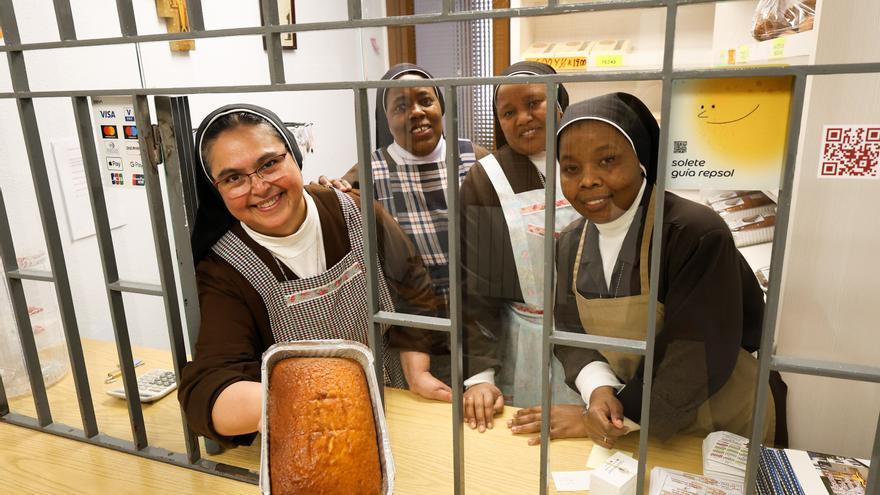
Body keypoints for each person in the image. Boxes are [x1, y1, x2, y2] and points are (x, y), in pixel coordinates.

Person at [508, 93, 788, 448]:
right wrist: (599, 390)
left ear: (641, 159)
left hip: (722, 418)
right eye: (572, 168)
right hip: (637, 420)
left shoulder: (693, 233)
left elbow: (696, 356)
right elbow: (570, 332)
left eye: (607, 160)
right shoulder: (570, 242)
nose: (588, 180)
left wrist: (618, 416)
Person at [177, 104, 451, 446]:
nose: (259, 186)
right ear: (216, 189)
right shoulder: (225, 267)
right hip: (310, 432)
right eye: (234, 178)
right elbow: (207, 386)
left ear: (294, 156)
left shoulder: (355, 210)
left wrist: (417, 371)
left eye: (269, 163)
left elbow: (413, 283)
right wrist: (293, 404)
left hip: (394, 398)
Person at [323, 64, 501, 429]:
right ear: (386, 119)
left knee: (488, 423)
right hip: (414, 337)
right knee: (431, 429)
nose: (416, 112)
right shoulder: (368, 172)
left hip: (483, 327)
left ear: (441, 106)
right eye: (401, 107)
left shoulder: (478, 160)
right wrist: (328, 190)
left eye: (425, 100)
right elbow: (333, 211)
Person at [459, 62, 582, 431]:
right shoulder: (487, 179)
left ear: (559, 103)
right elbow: (477, 286)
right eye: (508, 112)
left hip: (596, 336)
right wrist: (480, 376)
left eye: (533, 103)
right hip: (525, 343)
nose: (522, 118)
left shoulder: (588, 161)